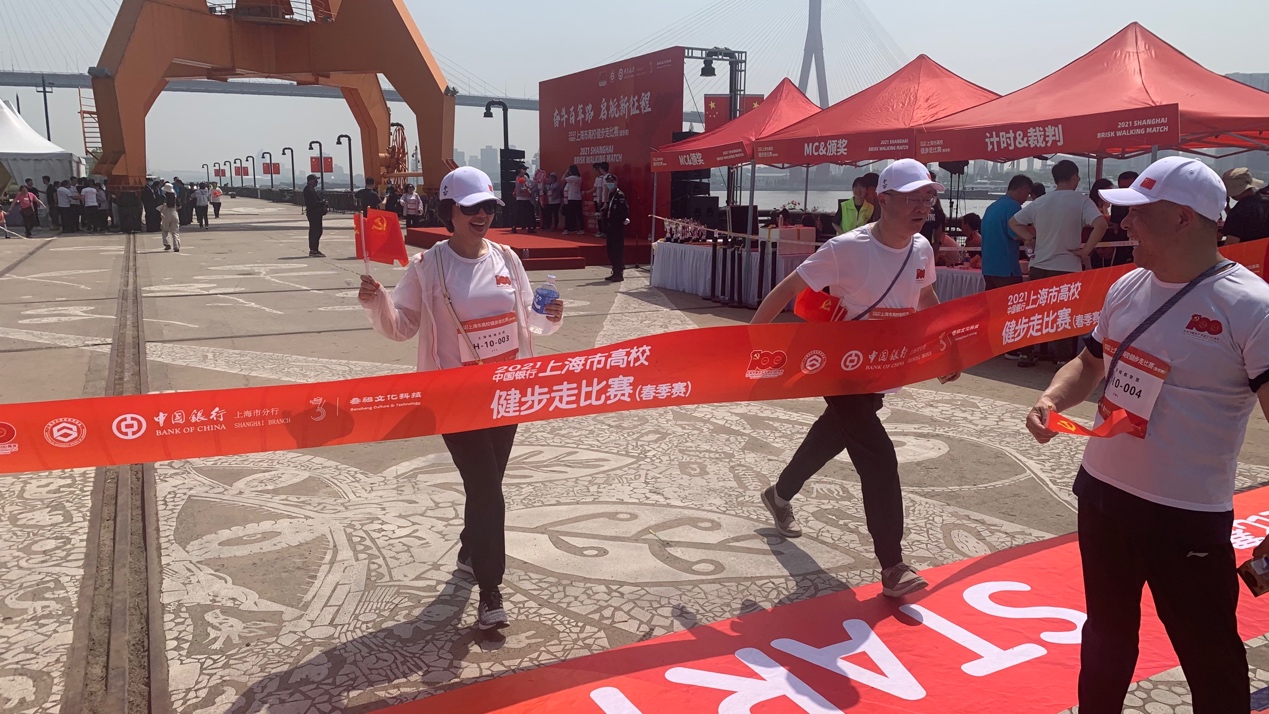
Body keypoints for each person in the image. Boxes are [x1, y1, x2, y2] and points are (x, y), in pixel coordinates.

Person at [1025, 156, 1269, 714]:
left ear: (1184, 218)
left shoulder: (1252, 307)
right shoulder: (1127, 285)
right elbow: (1089, 363)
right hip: (1102, 494)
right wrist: (1051, 399)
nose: (1124, 223)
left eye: (1138, 212)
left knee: (1209, 654)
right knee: (1105, 638)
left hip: (1185, 513)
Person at [358, 166, 564, 631]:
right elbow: (402, 326)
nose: (482, 215)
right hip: (454, 398)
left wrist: (550, 314)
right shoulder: (427, 267)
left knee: (485, 486)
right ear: (449, 211)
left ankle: (471, 549)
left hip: (505, 394)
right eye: (471, 208)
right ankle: (490, 592)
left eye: (489, 206)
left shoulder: (507, 258)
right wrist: (377, 301)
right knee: (488, 489)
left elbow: (529, 321)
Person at [750, 159, 958, 598]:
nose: (923, 206)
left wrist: (947, 349)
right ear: (884, 199)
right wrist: (749, 345)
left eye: (928, 197)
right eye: (912, 198)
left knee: (831, 437)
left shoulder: (922, 248)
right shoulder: (846, 248)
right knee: (878, 455)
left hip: (882, 369)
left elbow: (926, 297)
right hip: (838, 367)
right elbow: (788, 290)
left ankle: (779, 494)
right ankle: (893, 565)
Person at [1009, 160, 1108, 367]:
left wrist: (1030, 238)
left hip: (1039, 265)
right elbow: (1100, 224)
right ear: (1074, 177)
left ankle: (1027, 353)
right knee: (1063, 315)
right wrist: (1086, 251)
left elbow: (1014, 222)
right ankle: (1062, 358)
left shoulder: (1041, 201)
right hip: (1066, 266)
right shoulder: (1081, 201)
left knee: (1034, 313)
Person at [980, 176, 1034, 357]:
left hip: (989, 267)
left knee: (994, 311)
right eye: (1027, 193)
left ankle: (993, 345)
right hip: (1006, 267)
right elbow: (1015, 233)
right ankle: (1011, 348)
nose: (1027, 198)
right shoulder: (1013, 207)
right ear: (1022, 189)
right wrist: (1033, 235)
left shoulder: (992, 207)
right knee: (1013, 311)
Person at [1220, 167, 1269, 244]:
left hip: (1249, 250)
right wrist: (1228, 209)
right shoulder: (1265, 200)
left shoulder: (1238, 212)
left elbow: (1231, 245)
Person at [1104, 171, 1138, 266]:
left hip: (1144, 242)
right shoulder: (1117, 203)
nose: (1126, 191)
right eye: (1123, 188)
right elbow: (1115, 226)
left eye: (1130, 188)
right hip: (1122, 244)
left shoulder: (1148, 203)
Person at [602, 173, 630, 282]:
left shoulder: (620, 195)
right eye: (608, 182)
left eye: (611, 182)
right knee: (610, 250)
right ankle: (614, 271)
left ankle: (619, 273)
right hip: (610, 226)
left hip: (617, 227)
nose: (609, 184)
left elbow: (623, 211)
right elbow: (610, 209)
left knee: (617, 250)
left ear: (616, 182)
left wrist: (621, 221)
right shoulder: (611, 194)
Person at [302, 174, 326, 258]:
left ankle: (314, 249)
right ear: (310, 181)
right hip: (314, 213)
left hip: (314, 213)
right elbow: (313, 203)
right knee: (315, 231)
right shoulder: (309, 190)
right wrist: (323, 203)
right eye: (315, 180)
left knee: (316, 231)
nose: (317, 182)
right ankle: (313, 250)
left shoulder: (310, 189)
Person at [511, 167, 537, 234]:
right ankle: (515, 227)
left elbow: (528, 185)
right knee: (520, 213)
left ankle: (529, 227)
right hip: (521, 198)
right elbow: (523, 188)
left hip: (526, 198)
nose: (525, 171)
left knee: (527, 214)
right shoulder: (519, 178)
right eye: (524, 169)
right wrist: (528, 192)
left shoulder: (525, 177)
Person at [562, 164, 583, 235]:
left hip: (572, 198)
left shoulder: (572, 178)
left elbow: (562, 179)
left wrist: (566, 172)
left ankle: (567, 229)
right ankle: (581, 229)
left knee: (569, 214)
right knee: (579, 214)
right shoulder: (579, 178)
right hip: (578, 198)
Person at [160, 183, 181, 252]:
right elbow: (179, 206)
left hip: (166, 214)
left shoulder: (163, 197)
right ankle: (176, 246)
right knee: (175, 231)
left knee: (165, 230)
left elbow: (160, 206)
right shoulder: (175, 197)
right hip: (174, 213)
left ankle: (167, 243)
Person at [591, 162, 610, 237]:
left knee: (603, 217)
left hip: (604, 200)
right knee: (604, 217)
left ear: (601, 169)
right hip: (607, 199)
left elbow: (604, 190)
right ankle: (604, 232)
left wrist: (603, 201)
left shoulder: (604, 178)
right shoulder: (609, 176)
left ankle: (604, 232)